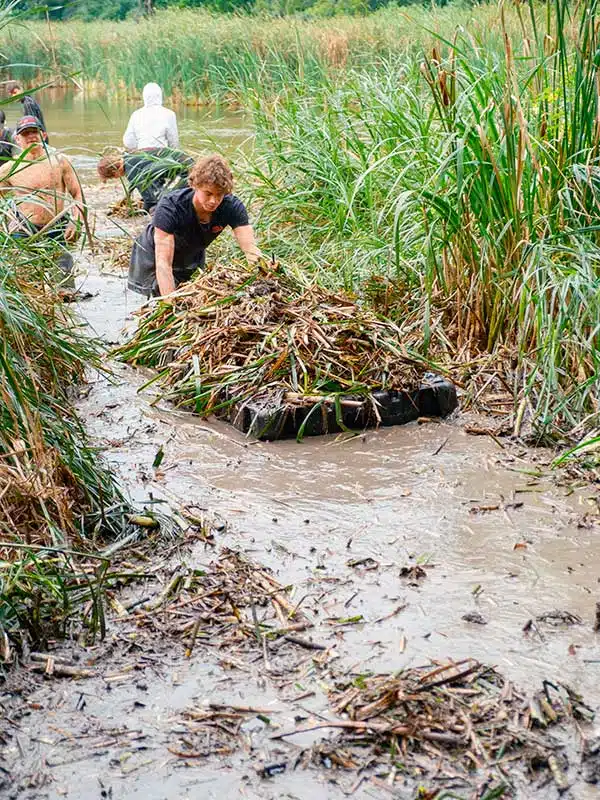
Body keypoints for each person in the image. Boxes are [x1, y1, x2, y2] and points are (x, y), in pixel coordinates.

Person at [128, 153, 261, 297]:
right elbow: (163, 264)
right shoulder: (171, 206)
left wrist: (263, 277)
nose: (213, 201)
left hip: (192, 251)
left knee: (193, 294)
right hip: (153, 254)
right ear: (195, 186)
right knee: (159, 296)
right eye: (208, 193)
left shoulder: (232, 206)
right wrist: (170, 306)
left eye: (219, 195)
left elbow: (250, 250)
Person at [0, 116, 85, 285]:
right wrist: (6, 225)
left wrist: (76, 221)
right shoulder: (9, 169)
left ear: (44, 135)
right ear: (17, 139)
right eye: (26, 134)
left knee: (65, 288)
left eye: (35, 132)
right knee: (29, 288)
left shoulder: (59, 162)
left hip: (57, 226)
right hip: (24, 229)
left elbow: (77, 194)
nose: (31, 137)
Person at [97, 147, 193, 213]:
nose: (117, 178)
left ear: (114, 171)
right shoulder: (132, 155)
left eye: (113, 177)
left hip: (186, 172)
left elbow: (150, 199)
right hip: (187, 162)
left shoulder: (131, 171)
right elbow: (157, 179)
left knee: (162, 205)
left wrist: (143, 211)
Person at [123, 83, 179, 151]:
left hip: (141, 155)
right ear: (160, 96)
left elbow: (128, 142)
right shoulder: (170, 114)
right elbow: (174, 142)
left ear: (144, 96)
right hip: (161, 155)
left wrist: (137, 149)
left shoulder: (136, 115)